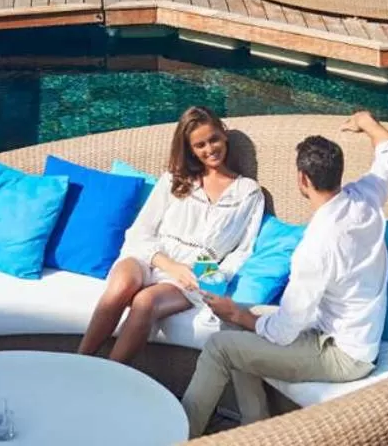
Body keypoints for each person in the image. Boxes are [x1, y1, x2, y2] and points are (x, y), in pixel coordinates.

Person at [182, 110, 388, 436]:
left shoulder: (316, 247)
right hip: (336, 332)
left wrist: (239, 313)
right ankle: (255, 431)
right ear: (338, 174)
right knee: (235, 322)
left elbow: (285, 330)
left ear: (302, 179)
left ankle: (179, 436)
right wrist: (368, 122)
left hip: (341, 355)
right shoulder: (366, 197)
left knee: (221, 347)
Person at [78, 106, 264, 365]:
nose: (209, 149)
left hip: (193, 274)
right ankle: (79, 362)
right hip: (152, 256)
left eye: (213, 139)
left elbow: (242, 251)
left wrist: (209, 277)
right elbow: (140, 232)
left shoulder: (249, 193)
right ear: (190, 149)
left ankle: (107, 376)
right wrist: (169, 265)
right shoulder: (175, 179)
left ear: (224, 134)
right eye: (200, 145)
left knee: (145, 302)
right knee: (121, 286)